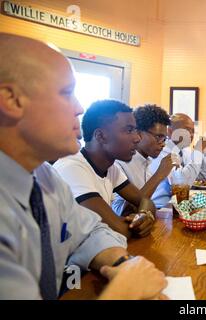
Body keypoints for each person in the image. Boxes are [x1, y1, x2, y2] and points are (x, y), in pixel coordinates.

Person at [0, 33, 166, 299]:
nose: (78, 108)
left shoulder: (43, 176)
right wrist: (124, 292)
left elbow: (89, 232)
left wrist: (122, 265)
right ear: (11, 99)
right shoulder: (66, 169)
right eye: (66, 93)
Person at [54, 100, 157, 239]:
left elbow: (145, 200)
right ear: (101, 136)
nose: (137, 138)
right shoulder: (72, 168)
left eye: (136, 130)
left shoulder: (111, 168)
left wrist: (144, 215)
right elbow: (118, 229)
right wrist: (139, 223)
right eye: (129, 130)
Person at [112, 104, 174, 215]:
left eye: (164, 138)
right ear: (139, 132)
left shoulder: (146, 163)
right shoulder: (120, 163)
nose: (163, 144)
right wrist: (160, 174)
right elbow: (124, 213)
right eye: (158, 137)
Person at [150, 113, 206, 208]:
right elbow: (182, 184)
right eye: (187, 130)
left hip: (178, 205)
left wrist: (205, 154)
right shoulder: (161, 151)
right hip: (161, 208)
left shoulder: (184, 150)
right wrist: (198, 152)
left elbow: (203, 177)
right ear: (170, 132)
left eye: (193, 131)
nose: (191, 135)